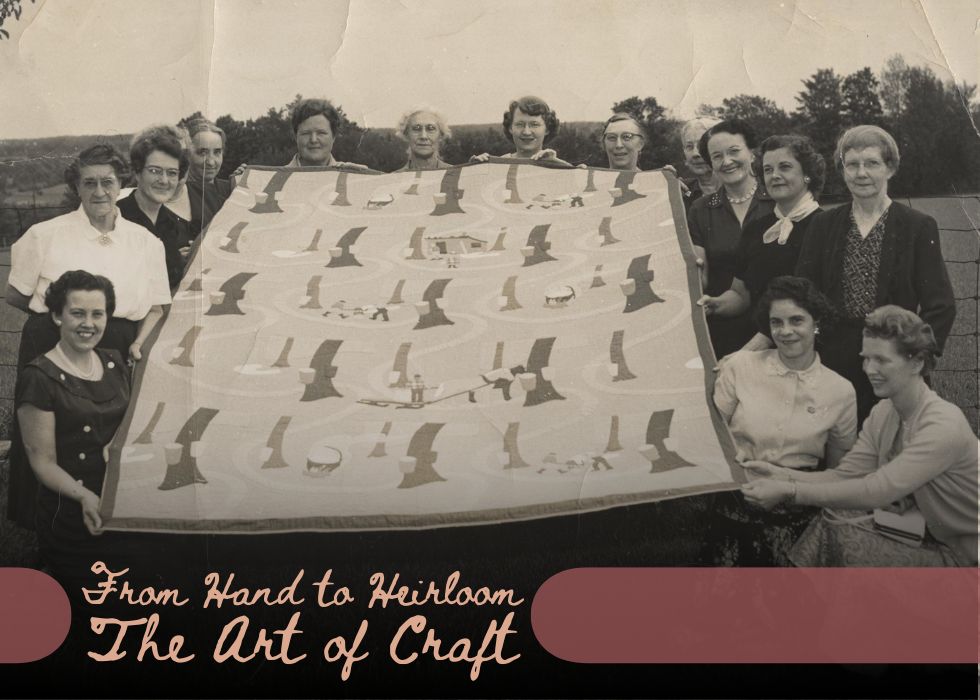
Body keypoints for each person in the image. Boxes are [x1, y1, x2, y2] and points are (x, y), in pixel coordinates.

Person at [6, 144, 170, 528]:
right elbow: (17, 294)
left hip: (119, 343)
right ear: (76, 188)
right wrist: (60, 324)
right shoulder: (44, 234)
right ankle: (40, 521)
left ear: (122, 185)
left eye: (108, 182)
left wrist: (135, 343)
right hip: (52, 339)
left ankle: (115, 513)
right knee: (45, 431)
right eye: (89, 183)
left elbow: (158, 307)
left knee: (108, 432)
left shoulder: (145, 242)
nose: (99, 192)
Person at [742, 306, 978, 567]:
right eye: (866, 358)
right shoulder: (885, 412)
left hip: (967, 557)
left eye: (882, 360)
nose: (869, 369)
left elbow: (877, 490)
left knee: (842, 529)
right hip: (932, 537)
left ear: (917, 362)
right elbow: (843, 475)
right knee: (835, 515)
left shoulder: (942, 424)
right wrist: (776, 473)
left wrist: (790, 491)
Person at [788, 125, 956, 424]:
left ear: (890, 168)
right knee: (839, 448)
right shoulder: (824, 225)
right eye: (852, 164)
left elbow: (941, 304)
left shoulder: (917, 226)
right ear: (842, 170)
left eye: (872, 163)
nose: (861, 173)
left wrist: (913, 357)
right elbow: (804, 295)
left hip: (894, 360)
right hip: (833, 362)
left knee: (897, 447)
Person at [15, 271, 132, 590]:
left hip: (120, 501)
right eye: (77, 313)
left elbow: (127, 424)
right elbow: (42, 463)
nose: (88, 323)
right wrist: (86, 498)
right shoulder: (39, 377)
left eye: (98, 314)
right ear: (56, 315)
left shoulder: (113, 361)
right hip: (72, 508)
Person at [698, 135, 824, 324]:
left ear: (807, 174)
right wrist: (717, 304)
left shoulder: (828, 226)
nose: (775, 176)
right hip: (757, 338)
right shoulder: (756, 230)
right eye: (768, 170)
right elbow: (740, 295)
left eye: (785, 167)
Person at [687, 118, 775, 358]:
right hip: (723, 329)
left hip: (778, 331)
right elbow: (699, 275)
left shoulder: (778, 199)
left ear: (753, 154)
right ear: (711, 163)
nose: (726, 161)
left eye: (734, 151)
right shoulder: (701, 210)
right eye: (717, 156)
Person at [117, 126, 192, 291]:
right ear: (137, 172)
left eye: (172, 173)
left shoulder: (170, 223)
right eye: (154, 171)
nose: (164, 180)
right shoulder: (116, 219)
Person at [471, 96, 571, 165]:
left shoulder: (560, 167)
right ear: (510, 128)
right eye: (520, 124)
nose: (526, 132)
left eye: (534, 125)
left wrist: (557, 164)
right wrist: (476, 169)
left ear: (547, 129)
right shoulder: (497, 166)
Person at [180, 116, 233, 237]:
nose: (211, 162)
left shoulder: (231, 189)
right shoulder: (176, 193)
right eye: (202, 153)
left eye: (217, 152)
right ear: (186, 155)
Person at [285, 97, 369, 170]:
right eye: (306, 133)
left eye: (321, 133)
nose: (313, 140)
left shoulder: (353, 177)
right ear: (295, 136)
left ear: (334, 136)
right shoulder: (274, 180)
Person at [679, 116, 721, 210]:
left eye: (702, 145)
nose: (695, 154)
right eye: (689, 146)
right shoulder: (683, 191)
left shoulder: (743, 191)